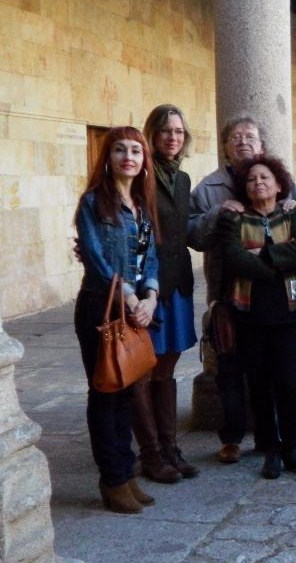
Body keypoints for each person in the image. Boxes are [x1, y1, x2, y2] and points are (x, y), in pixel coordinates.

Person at [188, 117, 296, 464]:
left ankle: (280, 439)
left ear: (262, 145)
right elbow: (192, 234)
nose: (242, 142)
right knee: (230, 367)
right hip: (228, 292)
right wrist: (218, 213)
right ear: (225, 146)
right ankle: (233, 436)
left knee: (274, 372)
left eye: (250, 136)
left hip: (276, 296)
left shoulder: (278, 179)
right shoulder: (209, 188)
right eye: (235, 137)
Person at [74, 126, 160, 513]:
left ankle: (127, 474)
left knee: (128, 392)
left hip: (135, 308)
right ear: (107, 158)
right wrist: (128, 295)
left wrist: (152, 298)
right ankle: (111, 479)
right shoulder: (94, 202)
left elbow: (151, 258)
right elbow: (94, 255)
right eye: (120, 150)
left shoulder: (142, 204)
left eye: (136, 151)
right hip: (101, 306)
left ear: (144, 161)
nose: (129, 157)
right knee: (106, 392)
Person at [218, 155, 296, 479]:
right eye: (251, 179)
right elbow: (233, 258)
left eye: (265, 178)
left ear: (278, 184)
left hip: (286, 312)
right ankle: (270, 449)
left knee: (286, 383)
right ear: (245, 188)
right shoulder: (234, 219)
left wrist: (259, 254)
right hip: (250, 312)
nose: (258, 183)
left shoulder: (295, 215)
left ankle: (292, 448)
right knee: (259, 384)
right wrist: (277, 263)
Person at [129, 105, 201, 485]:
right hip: (147, 286)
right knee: (143, 366)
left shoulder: (183, 178)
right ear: (152, 136)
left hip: (178, 281)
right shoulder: (142, 176)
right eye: (165, 131)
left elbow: (185, 229)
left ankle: (171, 447)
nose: (173, 137)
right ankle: (151, 453)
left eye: (178, 131)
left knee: (168, 366)